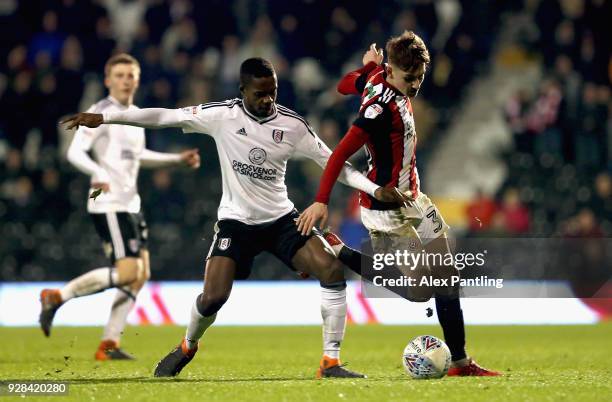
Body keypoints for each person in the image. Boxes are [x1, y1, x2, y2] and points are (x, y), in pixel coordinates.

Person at [61, 57, 409, 378]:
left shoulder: (292, 126)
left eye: (273, 92)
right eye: (260, 94)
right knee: (213, 298)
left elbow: (337, 165)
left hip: (280, 220)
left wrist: (375, 190)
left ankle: (330, 362)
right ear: (242, 91)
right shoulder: (222, 116)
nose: (268, 100)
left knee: (332, 269)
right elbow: (166, 116)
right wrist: (106, 117)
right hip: (236, 223)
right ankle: (187, 345)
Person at [296, 32, 501, 376]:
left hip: (414, 199)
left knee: (448, 276)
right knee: (421, 292)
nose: (416, 84)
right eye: (410, 78)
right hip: (385, 210)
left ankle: (461, 363)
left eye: (420, 77)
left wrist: (366, 71)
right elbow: (338, 157)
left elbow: (345, 86)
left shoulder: (380, 77)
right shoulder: (377, 111)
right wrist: (321, 201)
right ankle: (340, 251)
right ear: (393, 71)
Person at [39, 53, 200, 360]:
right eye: (120, 75)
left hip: (130, 202)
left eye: (131, 75)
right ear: (107, 80)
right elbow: (75, 153)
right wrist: (98, 172)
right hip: (105, 200)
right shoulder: (99, 112)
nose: (126, 80)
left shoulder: (135, 115)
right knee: (128, 272)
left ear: (137, 80)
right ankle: (57, 296)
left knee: (140, 274)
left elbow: (138, 157)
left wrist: (176, 160)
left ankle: (109, 343)